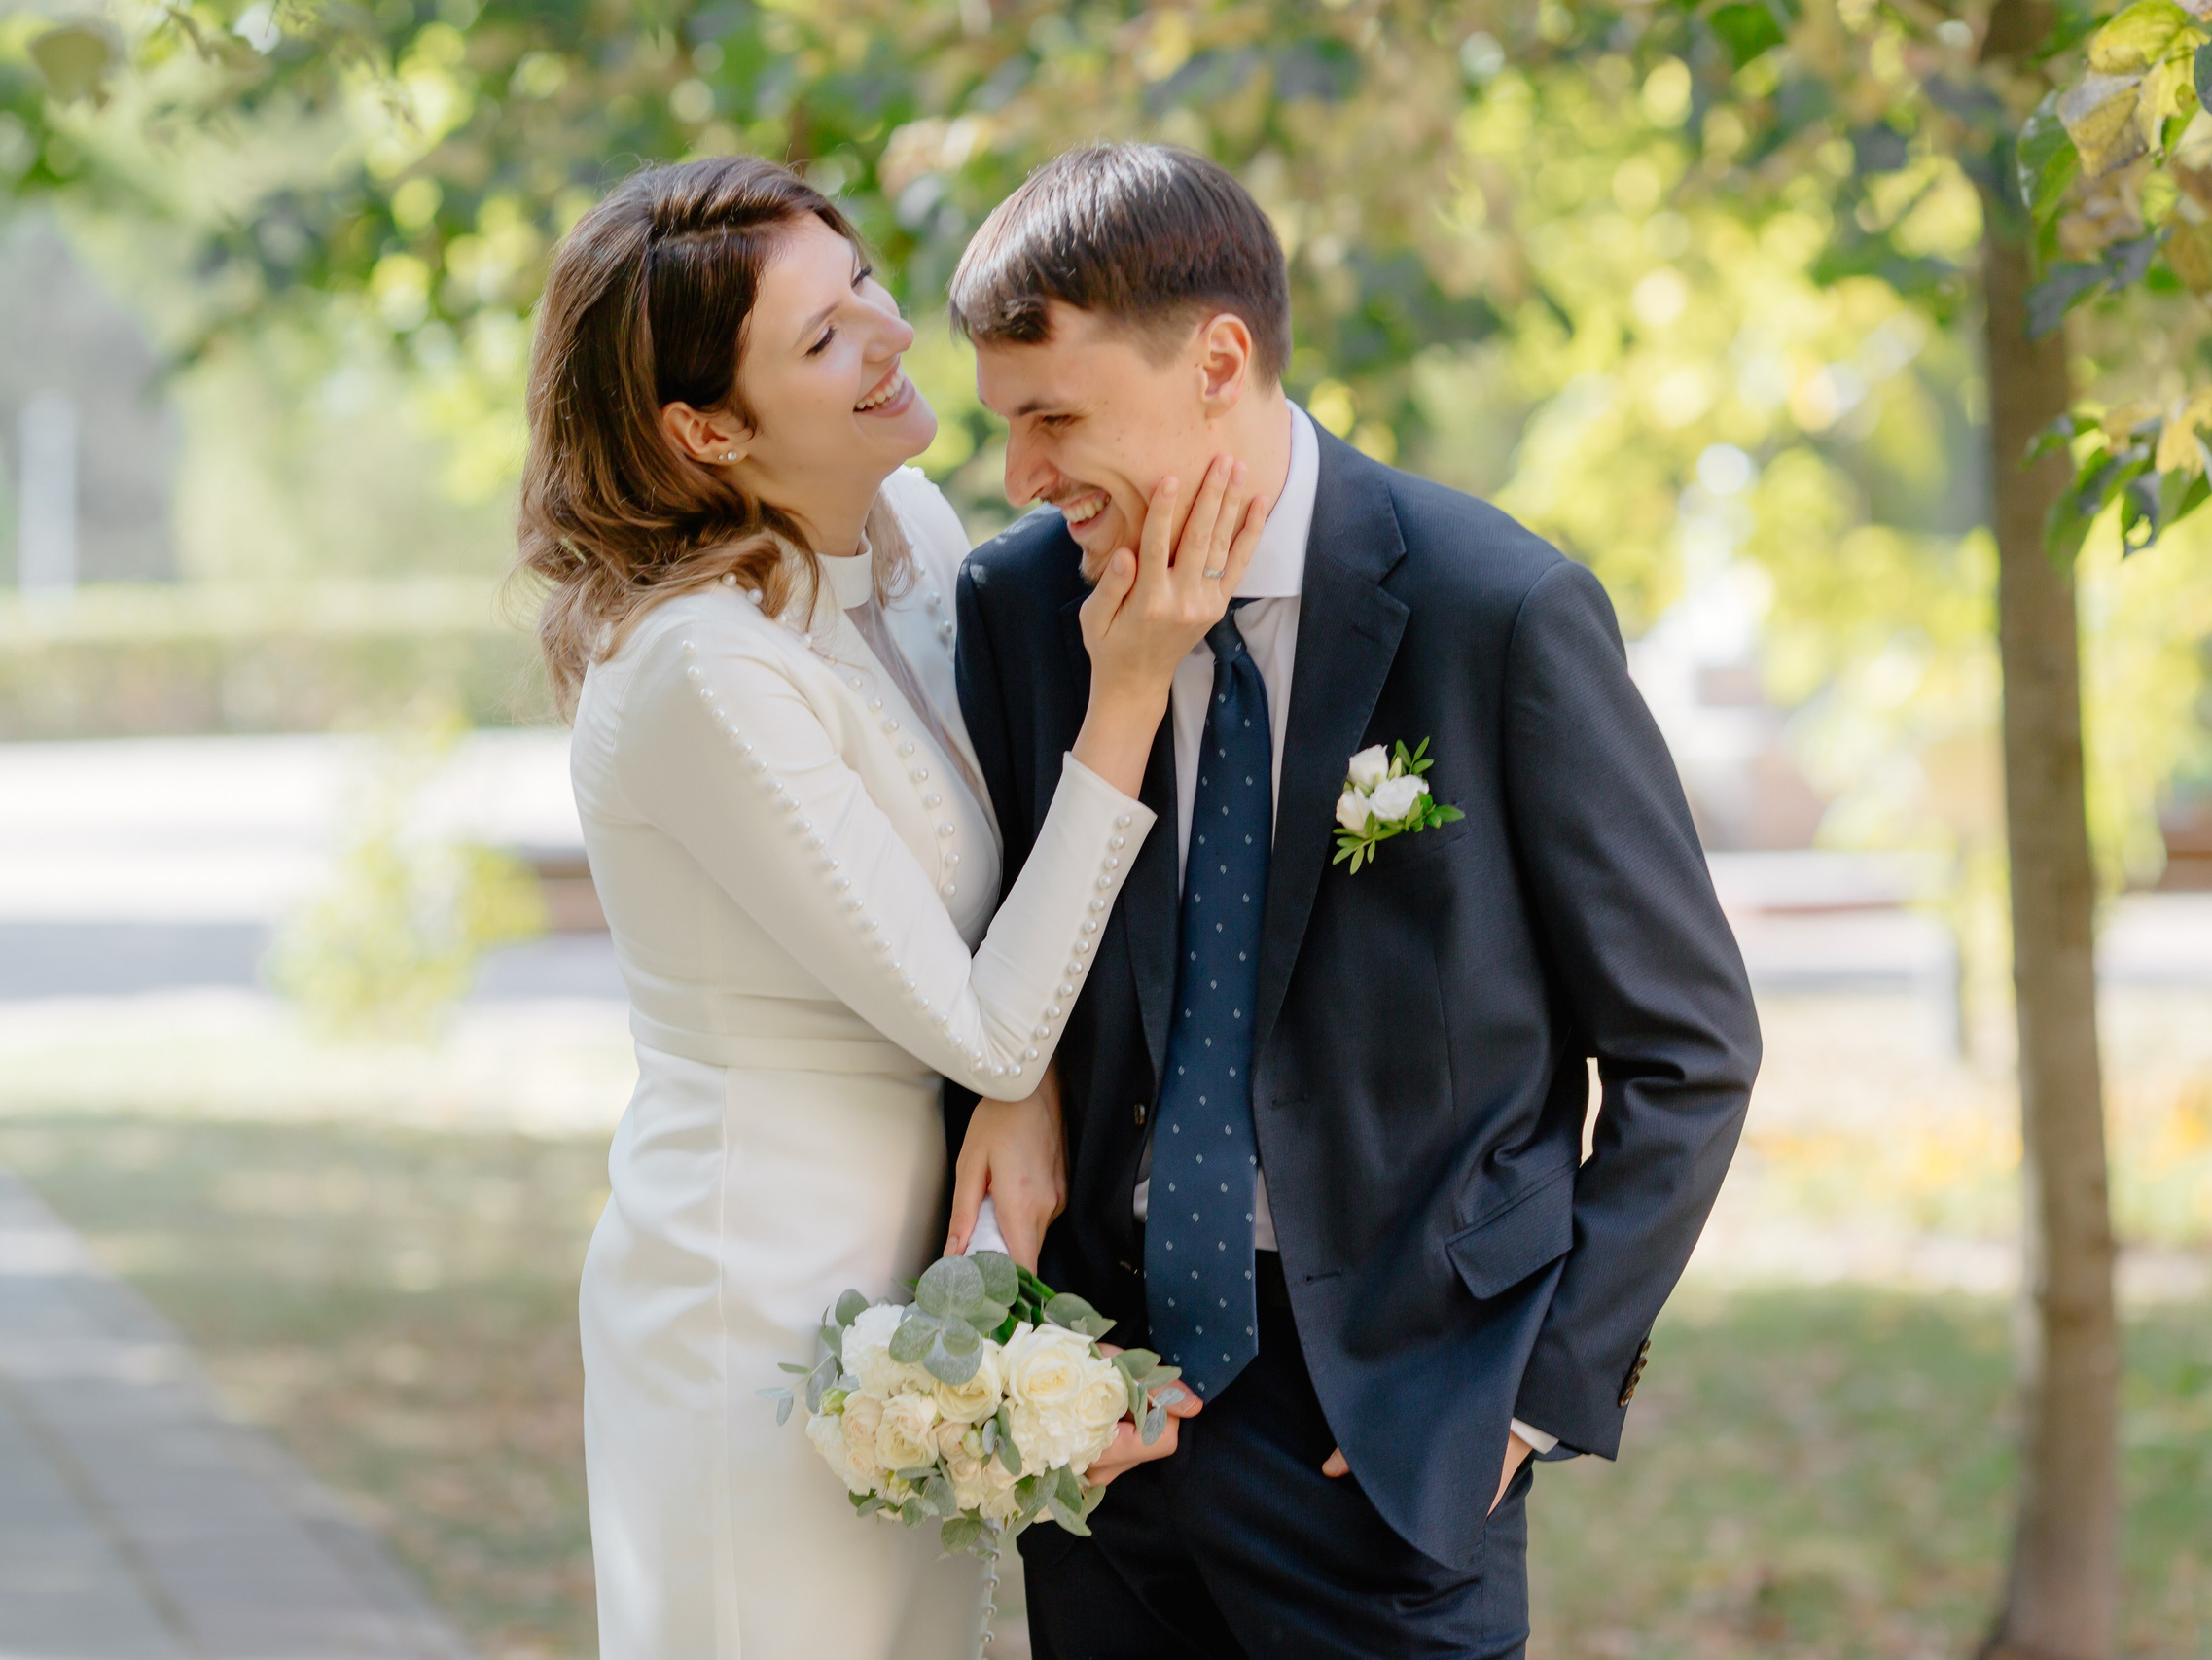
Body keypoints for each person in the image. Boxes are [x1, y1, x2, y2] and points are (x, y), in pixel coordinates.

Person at [942, 143, 1763, 1658]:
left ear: (1219, 359)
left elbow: (1689, 1050)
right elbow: (1002, 979)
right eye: (1008, 427)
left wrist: (1525, 1400)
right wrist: (1027, 1348)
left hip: (1390, 1434)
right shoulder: (1017, 611)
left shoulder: (1495, 609)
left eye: (1054, 417)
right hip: (1105, 1423)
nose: (1027, 476)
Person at [520, 156, 1266, 1660]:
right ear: (707, 429)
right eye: (822, 337)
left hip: (923, 1265)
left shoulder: (912, 528)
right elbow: (988, 1018)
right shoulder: (697, 671)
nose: (889, 334)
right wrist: (1128, 689)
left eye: (862, 284)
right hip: (759, 1278)